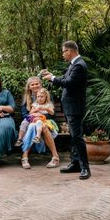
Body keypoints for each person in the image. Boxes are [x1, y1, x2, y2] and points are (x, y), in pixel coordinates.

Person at [42, 40, 91, 180]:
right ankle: (75, 163)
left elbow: (69, 83)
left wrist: (52, 78)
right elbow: (64, 78)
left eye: (63, 51)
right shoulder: (73, 65)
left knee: (77, 137)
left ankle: (85, 168)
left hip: (75, 107)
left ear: (69, 51)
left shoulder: (79, 65)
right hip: (70, 107)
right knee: (74, 137)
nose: (63, 54)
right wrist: (52, 76)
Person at [18, 79, 60, 169]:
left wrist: (41, 116)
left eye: (37, 84)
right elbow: (25, 115)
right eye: (32, 84)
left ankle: (55, 157)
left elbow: (52, 115)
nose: (35, 86)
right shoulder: (27, 99)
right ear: (29, 87)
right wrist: (33, 117)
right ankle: (24, 157)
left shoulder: (46, 95)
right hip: (31, 121)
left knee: (43, 126)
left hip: (46, 121)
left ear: (40, 84)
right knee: (31, 127)